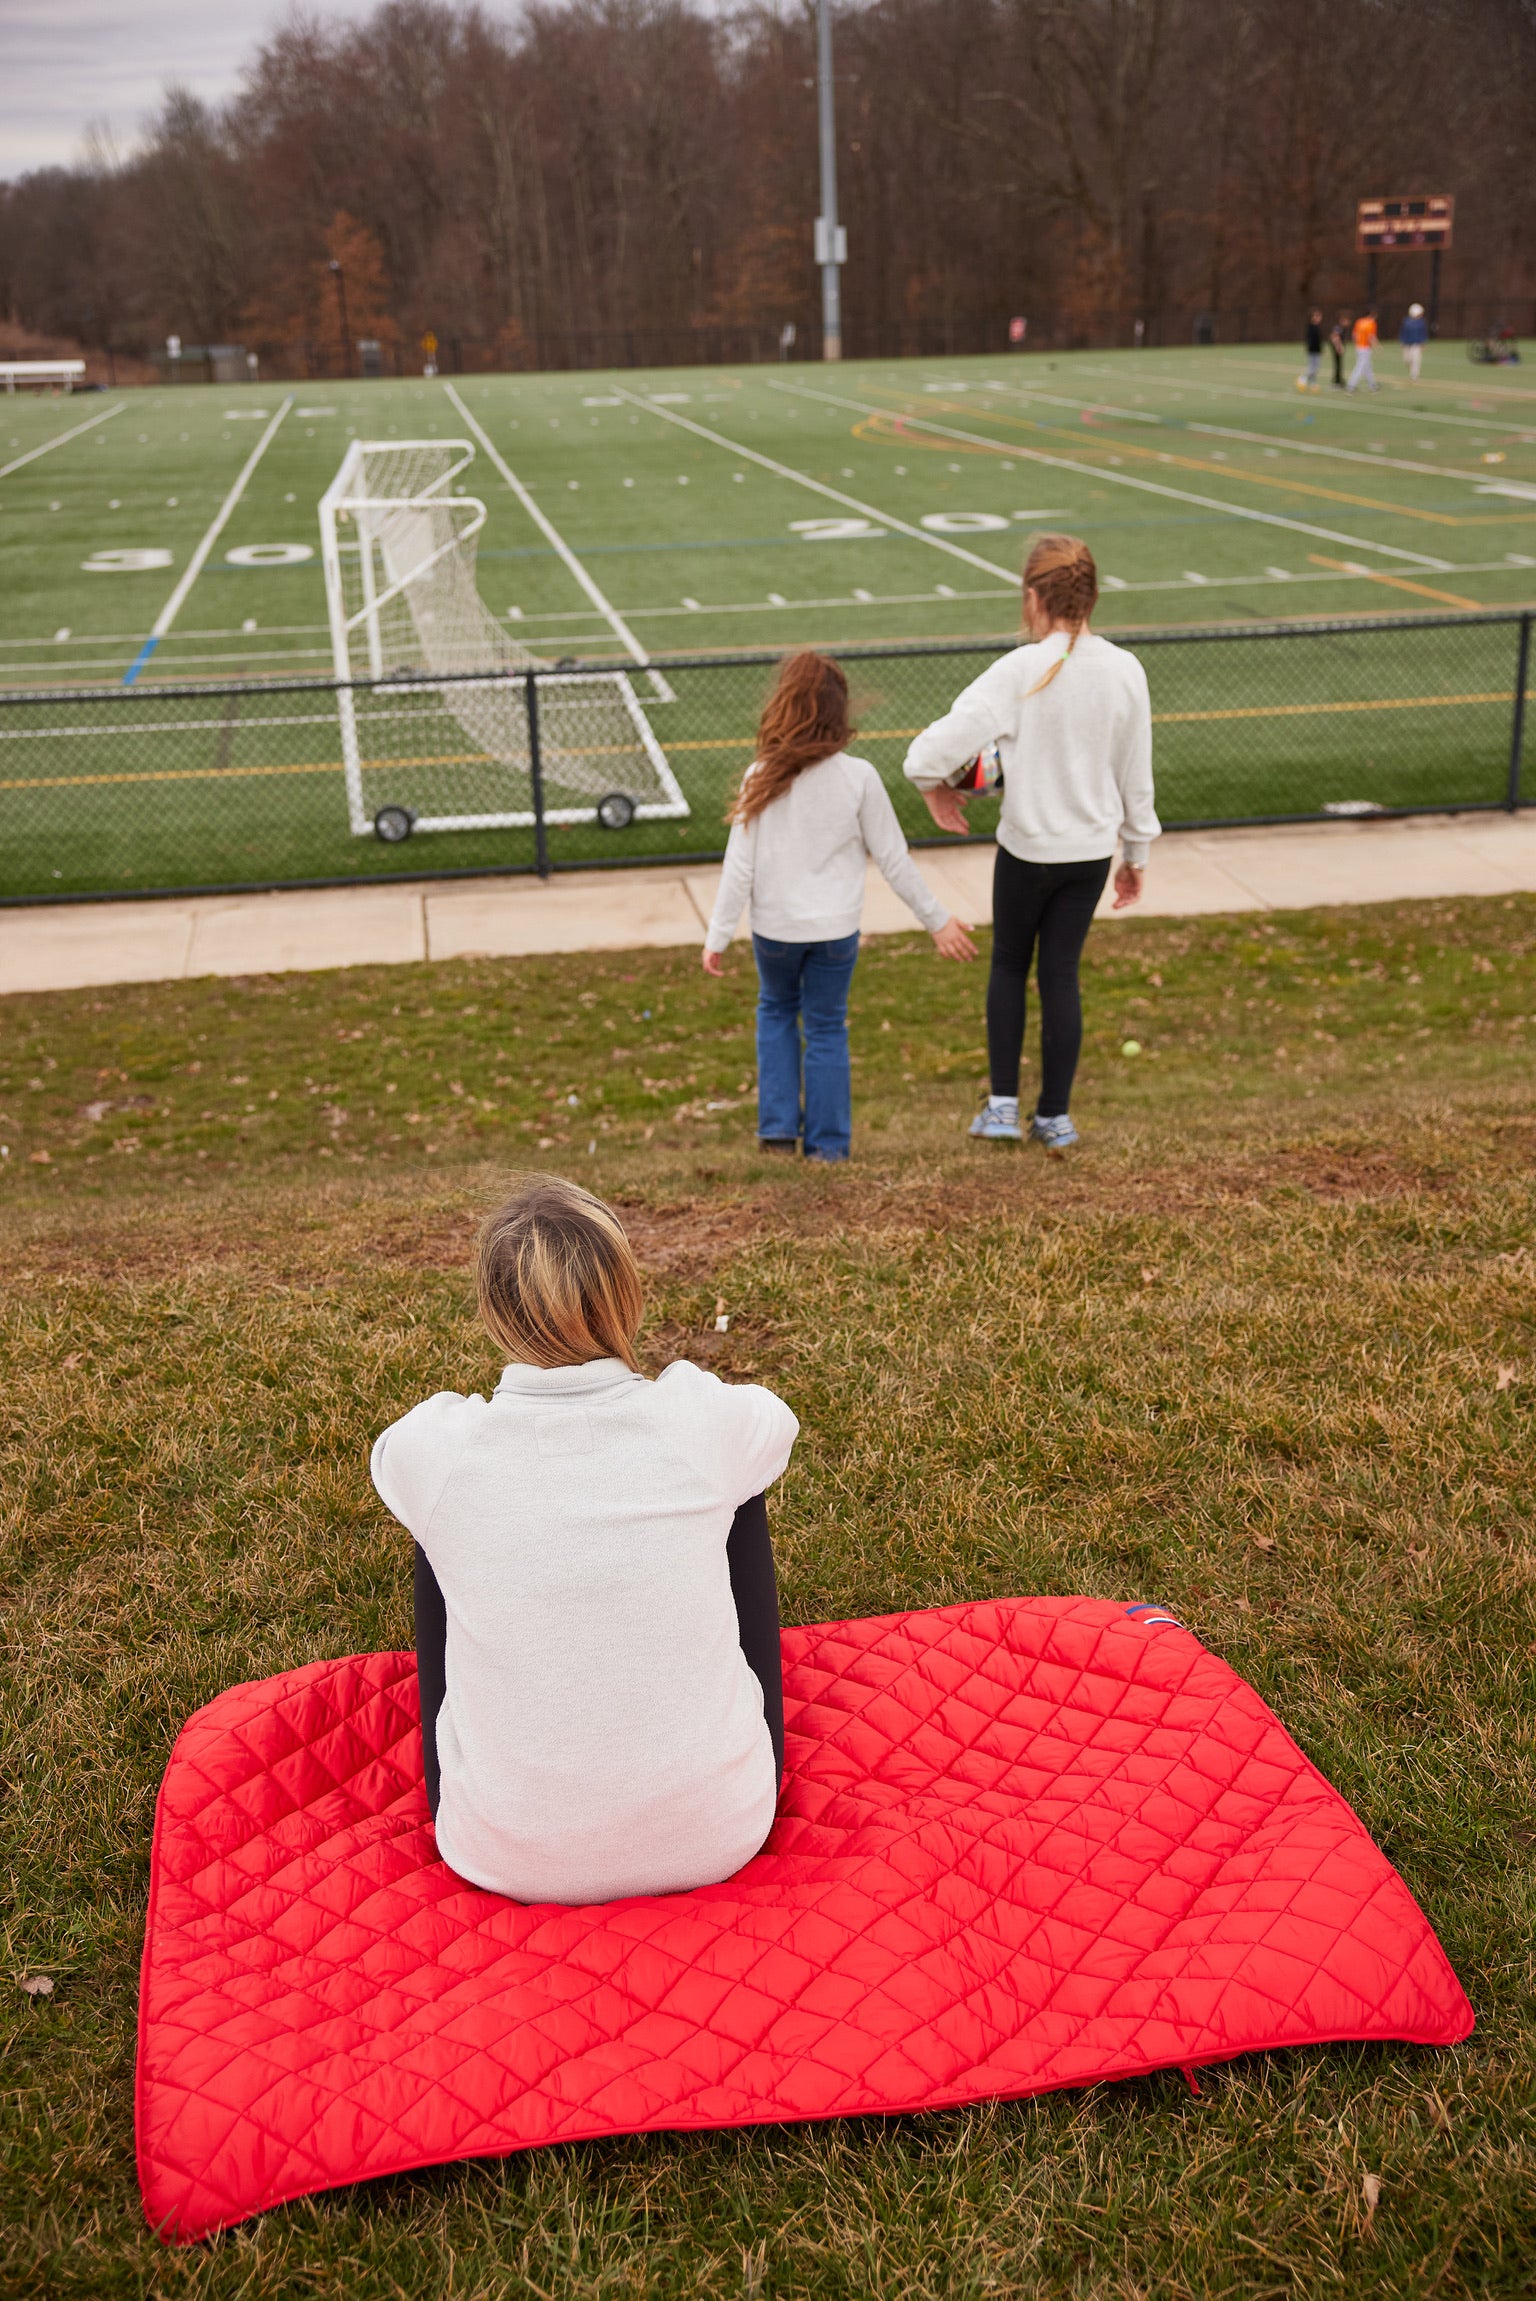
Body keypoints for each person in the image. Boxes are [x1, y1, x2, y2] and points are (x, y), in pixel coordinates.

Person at [371, 1175, 798, 1904]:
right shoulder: (695, 1418)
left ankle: (487, 1759)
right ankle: (744, 1729)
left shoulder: (439, 1448)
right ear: (624, 1296)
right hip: (721, 1830)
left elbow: (391, 1456)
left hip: (498, 1848)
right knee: (739, 1481)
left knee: (441, 1514)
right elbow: (774, 1422)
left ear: (495, 1314)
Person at [903, 534, 1157, 1150]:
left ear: (1033, 599)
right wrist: (1135, 856)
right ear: (1093, 596)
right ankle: (1055, 1117)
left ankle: (1002, 1109)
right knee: (1061, 975)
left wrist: (934, 788)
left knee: (1011, 967)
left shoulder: (1019, 669)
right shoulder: (1126, 670)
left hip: (1026, 854)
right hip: (1090, 856)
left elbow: (925, 754)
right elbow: (1136, 775)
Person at [703, 649, 976, 1160]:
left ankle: (778, 1134)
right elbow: (894, 858)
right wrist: (937, 922)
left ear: (783, 705)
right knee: (826, 1027)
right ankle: (829, 1149)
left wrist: (717, 936)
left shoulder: (760, 775)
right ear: (839, 711)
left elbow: (739, 867)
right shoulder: (859, 777)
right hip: (834, 934)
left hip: (776, 934)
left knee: (777, 1012)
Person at [1348, 308, 1380, 392]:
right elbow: (1371, 337)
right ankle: (1351, 384)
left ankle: (1372, 385)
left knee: (1368, 367)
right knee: (1360, 367)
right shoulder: (1371, 323)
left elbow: (1354, 335)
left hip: (1358, 347)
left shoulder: (1359, 321)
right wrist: (1377, 347)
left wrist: (1357, 344)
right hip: (1365, 348)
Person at [1400, 301, 1428, 382]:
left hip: (1416, 344)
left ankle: (1414, 375)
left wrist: (1423, 343)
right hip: (1407, 344)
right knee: (1407, 360)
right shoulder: (1406, 321)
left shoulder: (1422, 322)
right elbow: (1403, 332)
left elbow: (1423, 333)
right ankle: (1412, 372)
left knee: (1416, 359)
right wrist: (1402, 341)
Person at [1299, 308, 1324, 391]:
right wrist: (1309, 348)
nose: (1319, 318)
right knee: (1312, 367)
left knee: (1316, 368)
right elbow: (1309, 340)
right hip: (1312, 350)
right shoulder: (1311, 327)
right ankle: (1303, 378)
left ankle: (1312, 383)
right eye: (1317, 316)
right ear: (1313, 317)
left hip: (1317, 350)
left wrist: (1321, 349)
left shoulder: (1317, 327)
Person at [1329, 313, 1350, 388]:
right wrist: (1339, 347)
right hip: (1336, 349)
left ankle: (1339, 379)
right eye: (1347, 321)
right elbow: (1334, 337)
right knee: (1338, 365)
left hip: (1337, 348)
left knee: (1339, 365)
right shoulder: (1338, 328)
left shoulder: (1341, 328)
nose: (1348, 323)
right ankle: (1337, 381)